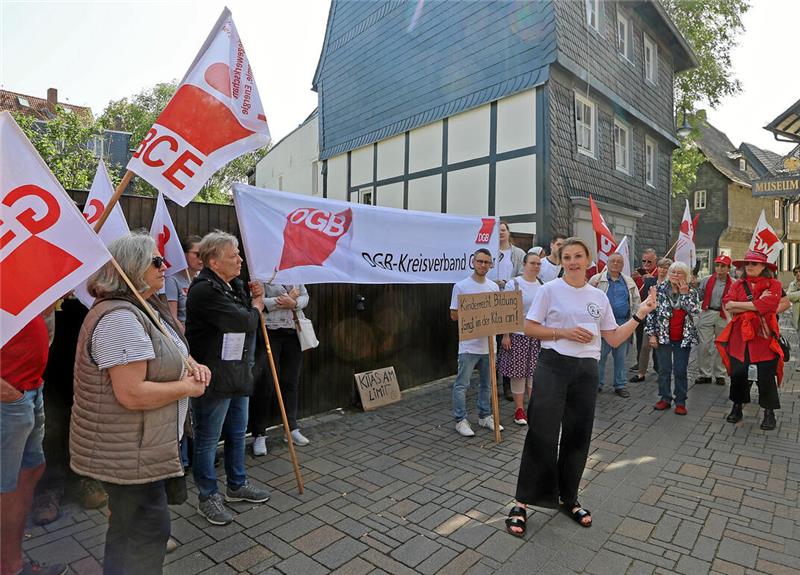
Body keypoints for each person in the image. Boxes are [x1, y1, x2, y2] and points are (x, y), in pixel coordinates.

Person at [70, 233, 211, 575]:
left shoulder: (141, 306)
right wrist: (186, 388)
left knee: (129, 530)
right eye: (156, 261)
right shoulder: (119, 318)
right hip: (128, 450)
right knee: (146, 533)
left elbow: (170, 348)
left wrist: (192, 362)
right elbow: (131, 393)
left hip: (139, 445)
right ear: (132, 268)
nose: (165, 266)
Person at [505, 238, 656, 536]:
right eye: (567, 257)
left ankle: (568, 498)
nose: (573, 261)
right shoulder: (550, 290)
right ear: (561, 261)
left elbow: (612, 338)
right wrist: (563, 332)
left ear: (589, 261)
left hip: (586, 371)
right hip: (552, 366)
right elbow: (529, 327)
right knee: (542, 433)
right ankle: (521, 503)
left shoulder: (598, 297)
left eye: (578, 256)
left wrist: (642, 313)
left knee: (578, 435)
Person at [186, 231, 270, 525]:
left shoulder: (231, 284)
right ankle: (207, 496)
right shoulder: (204, 290)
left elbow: (244, 314)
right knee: (208, 440)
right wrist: (257, 306)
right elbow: (246, 321)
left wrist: (252, 294)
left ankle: (237, 485)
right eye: (233, 255)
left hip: (236, 371)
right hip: (213, 376)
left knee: (237, 432)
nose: (240, 260)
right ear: (213, 261)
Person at [2, 313, 66, 575]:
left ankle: (12, 566)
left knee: (29, 472)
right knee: (6, 486)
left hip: (27, 388)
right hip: (10, 396)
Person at [718, 250, 783, 430]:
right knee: (739, 375)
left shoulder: (774, 284)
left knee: (766, 376)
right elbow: (728, 305)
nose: (749, 267)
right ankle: (737, 406)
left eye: (754, 264)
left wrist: (741, 306)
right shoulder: (738, 284)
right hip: (740, 339)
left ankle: (769, 412)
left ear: (763, 267)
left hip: (764, 339)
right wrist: (756, 305)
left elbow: (770, 305)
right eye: (747, 264)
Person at [250, 283, 312, 456]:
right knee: (267, 383)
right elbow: (257, 301)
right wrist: (285, 299)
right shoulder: (261, 271)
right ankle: (259, 434)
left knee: (290, 382)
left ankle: (291, 429)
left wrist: (294, 303)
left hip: (294, 331)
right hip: (269, 331)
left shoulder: (295, 271)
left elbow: (305, 296)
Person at [450, 248, 503, 437]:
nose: (483, 265)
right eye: (480, 261)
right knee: (462, 384)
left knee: (487, 384)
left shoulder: (493, 287)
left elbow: (498, 313)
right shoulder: (461, 286)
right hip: (468, 345)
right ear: (473, 262)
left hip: (489, 346)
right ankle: (460, 419)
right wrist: (475, 311)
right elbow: (454, 315)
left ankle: (484, 415)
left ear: (491, 265)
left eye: (486, 262)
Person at [645, 261, 700, 415]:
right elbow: (651, 313)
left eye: (679, 273)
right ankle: (665, 398)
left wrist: (684, 295)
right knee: (664, 370)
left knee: (680, 370)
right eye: (673, 272)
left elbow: (694, 311)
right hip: (663, 337)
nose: (675, 275)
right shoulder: (658, 290)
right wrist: (652, 335)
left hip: (683, 337)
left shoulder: (691, 292)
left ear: (686, 275)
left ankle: (681, 401)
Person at [497, 252, 544, 425]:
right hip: (517, 335)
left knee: (533, 374)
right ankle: (519, 409)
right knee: (518, 375)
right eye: (533, 263)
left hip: (536, 335)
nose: (536, 266)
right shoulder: (514, 283)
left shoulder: (542, 285)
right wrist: (506, 335)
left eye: (539, 264)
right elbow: (506, 311)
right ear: (524, 264)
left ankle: (533, 408)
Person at [589, 253, 641, 397]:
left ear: (623, 265)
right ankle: (597, 384)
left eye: (619, 262)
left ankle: (620, 385)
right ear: (608, 262)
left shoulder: (628, 281)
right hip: (602, 324)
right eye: (613, 261)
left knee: (621, 357)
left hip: (622, 323)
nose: (616, 264)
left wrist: (634, 320)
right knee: (600, 356)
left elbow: (636, 301)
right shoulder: (597, 279)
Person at [495, 221, 526, 401]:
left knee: (508, 345)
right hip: (492, 301)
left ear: (508, 232)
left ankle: (507, 385)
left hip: (509, 302)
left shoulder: (519, 253)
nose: (500, 233)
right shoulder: (489, 252)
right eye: (497, 231)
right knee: (493, 342)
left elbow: (522, 275)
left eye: (503, 230)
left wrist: (506, 283)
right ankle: (493, 383)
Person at [630, 257, 671, 382]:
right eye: (661, 267)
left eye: (666, 268)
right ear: (657, 268)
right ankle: (641, 373)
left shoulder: (671, 284)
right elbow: (643, 297)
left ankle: (661, 373)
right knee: (645, 346)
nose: (663, 270)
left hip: (664, 320)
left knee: (662, 348)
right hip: (650, 318)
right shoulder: (650, 282)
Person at [694, 255, 732, 385]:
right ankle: (704, 374)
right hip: (707, 312)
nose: (719, 269)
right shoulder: (707, 280)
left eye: (723, 266)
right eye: (717, 265)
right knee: (704, 345)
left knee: (722, 345)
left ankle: (720, 374)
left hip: (724, 314)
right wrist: (694, 287)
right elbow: (699, 296)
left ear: (728, 268)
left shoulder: (734, 283)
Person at [165, 235, 203, 329]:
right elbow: (172, 317)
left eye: (204, 254)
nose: (202, 259)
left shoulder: (202, 277)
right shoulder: (172, 280)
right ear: (183, 254)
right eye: (197, 254)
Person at [630, 248, 658, 371]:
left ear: (655, 261)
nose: (646, 264)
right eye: (644, 261)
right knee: (640, 339)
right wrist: (632, 278)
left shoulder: (658, 273)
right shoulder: (638, 273)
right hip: (640, 310)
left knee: (655, 340)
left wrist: (650, 278)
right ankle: (639, 362)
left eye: (649, 262)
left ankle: (658, 366)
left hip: (653, 312)